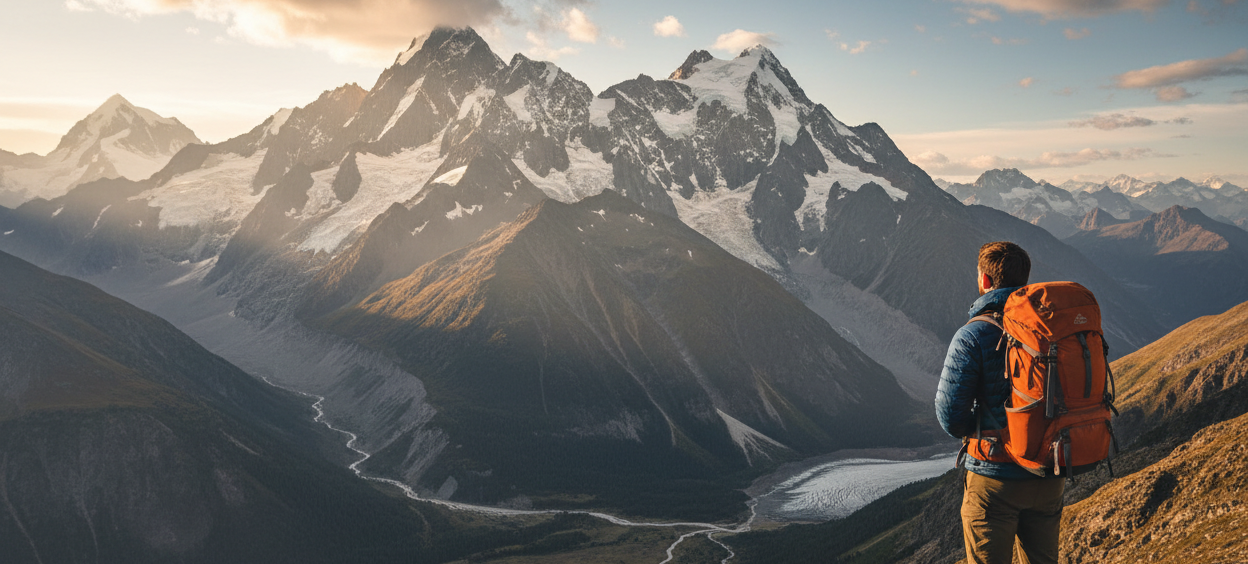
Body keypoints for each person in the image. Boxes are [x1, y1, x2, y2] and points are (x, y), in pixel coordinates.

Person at [934, 241, 1065, 564]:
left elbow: (950, 417)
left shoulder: (974, 334)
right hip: (1048, 474)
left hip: (995, 477)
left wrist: (982, 427)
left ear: (985, 281)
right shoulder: (1051, 327)